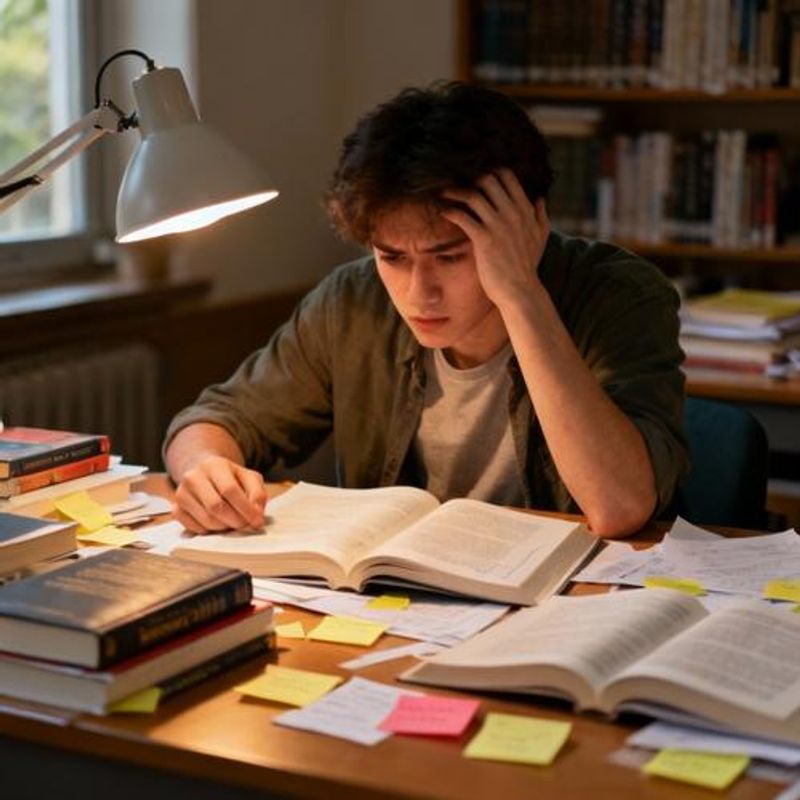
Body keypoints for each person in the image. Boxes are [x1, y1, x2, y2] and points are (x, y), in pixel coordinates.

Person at [164, 82, 689, 538]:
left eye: (450, 256)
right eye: (392, 257)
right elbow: (214, 420)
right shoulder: (352, 302)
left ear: (526, 224)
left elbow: (619, 507)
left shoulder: (620, 295)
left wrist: (521, 295)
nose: (419, 292)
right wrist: (204, 468)